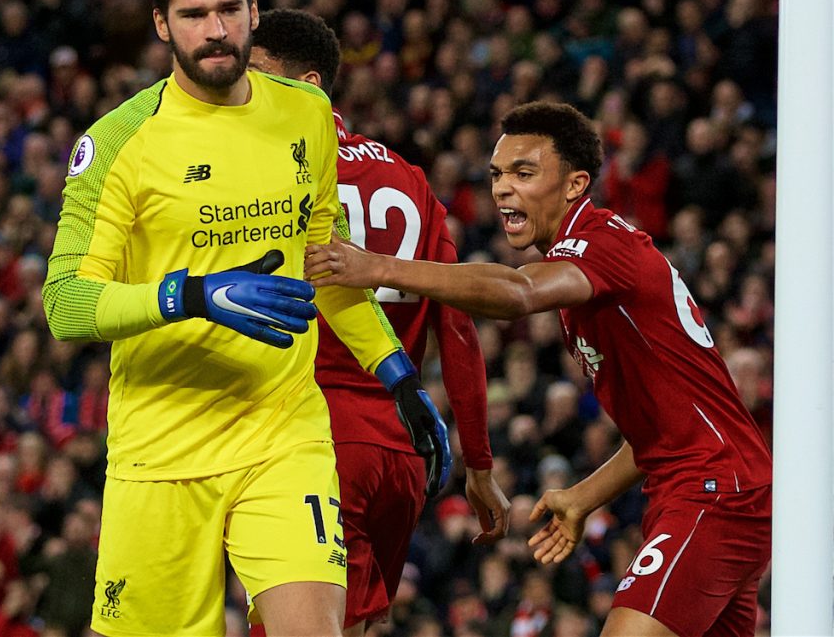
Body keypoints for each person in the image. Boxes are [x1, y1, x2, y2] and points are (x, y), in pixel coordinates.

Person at [42, 0, 449, 637]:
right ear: (162, 24)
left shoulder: (304, 113)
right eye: (193, 15)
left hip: (283, 434)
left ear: (255, 9)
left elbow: (326, 266)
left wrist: (399, 375)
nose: (216, 30)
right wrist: (190, 294)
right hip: (162, 450)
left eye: (229, 9)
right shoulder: (116, 142)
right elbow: (65, 303)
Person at [305, 101, 772, 637]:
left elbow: (518, 291)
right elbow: (662, 431)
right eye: (497, 174)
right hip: (707, 486)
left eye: (524, 173)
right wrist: (583, 496)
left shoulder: (602, 242)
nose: (503, 188)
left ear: (575, 185)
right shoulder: (590, 266)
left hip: (714, 491)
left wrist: (378, 266)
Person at [248, 8, 510, 636]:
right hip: (400, 448)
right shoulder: (409, 178)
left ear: (308, 85)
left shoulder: (269, 173)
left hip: (315, 439)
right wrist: (479, 463)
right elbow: (459, 327)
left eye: (258, 75)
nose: (242, 91)